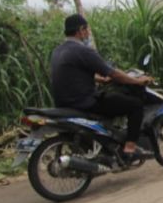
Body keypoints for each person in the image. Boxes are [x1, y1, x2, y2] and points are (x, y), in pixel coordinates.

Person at [50, 14, 154, 159]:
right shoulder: (83, 51)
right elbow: (113, 74)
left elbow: (74, 73)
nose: (87, 34)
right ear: (80, 30)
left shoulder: (58, 51)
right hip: (84, 103)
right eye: (86, 30)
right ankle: (130, 147)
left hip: (64, 103)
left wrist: (99, 79)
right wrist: (137, 81)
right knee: (135, 105)